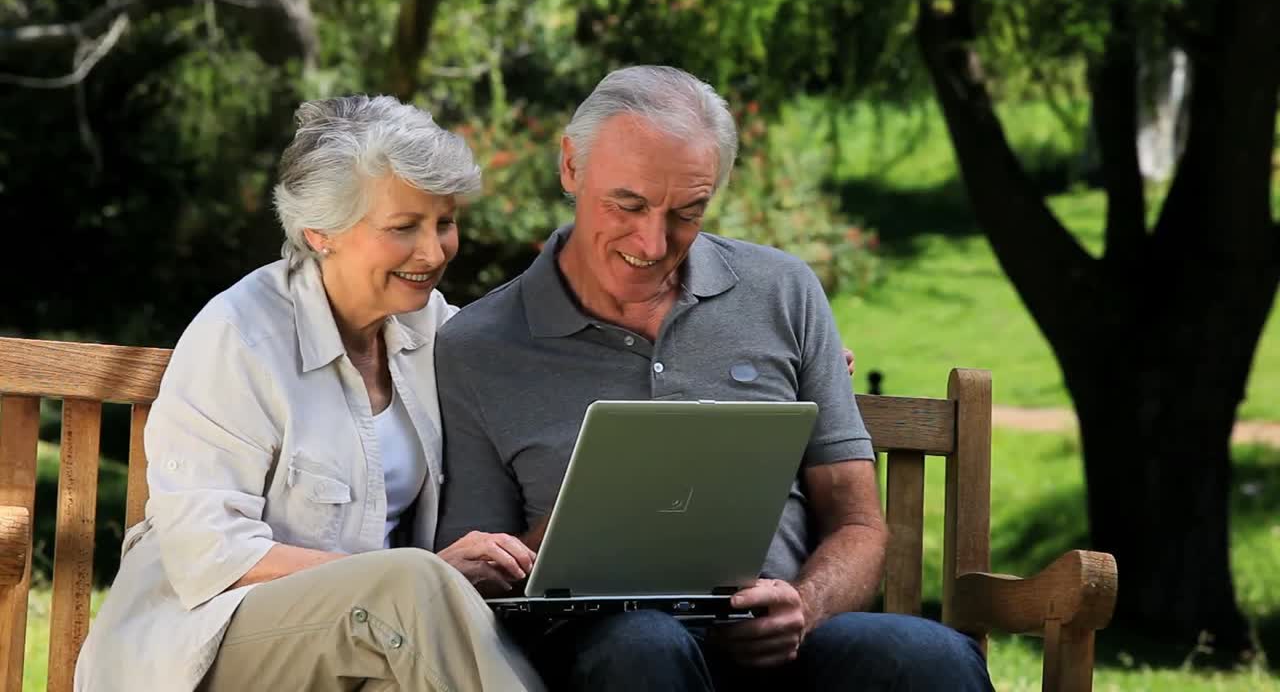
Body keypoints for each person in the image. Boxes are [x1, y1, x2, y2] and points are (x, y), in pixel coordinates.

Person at [434, 66, 995, 691]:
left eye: (687, 212)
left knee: (929, 656)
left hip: (783, 643)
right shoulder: (478, 347)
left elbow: (859, 525)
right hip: (609, 654)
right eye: (628, 204)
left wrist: (804, 607)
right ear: (571, 166)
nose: (653, 243)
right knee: (643, 645)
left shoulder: (783, 291)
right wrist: (573, 532)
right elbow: (476, 581)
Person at [75, 96, 544, 692]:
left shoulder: (434, 330)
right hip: (202, 641)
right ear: (320, 232)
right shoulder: (240, 336)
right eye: (404, 227)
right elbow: (210, 551)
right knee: (408, 586)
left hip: (369, 642)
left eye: (444, 223)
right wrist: (415, 575)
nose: (433, 252)